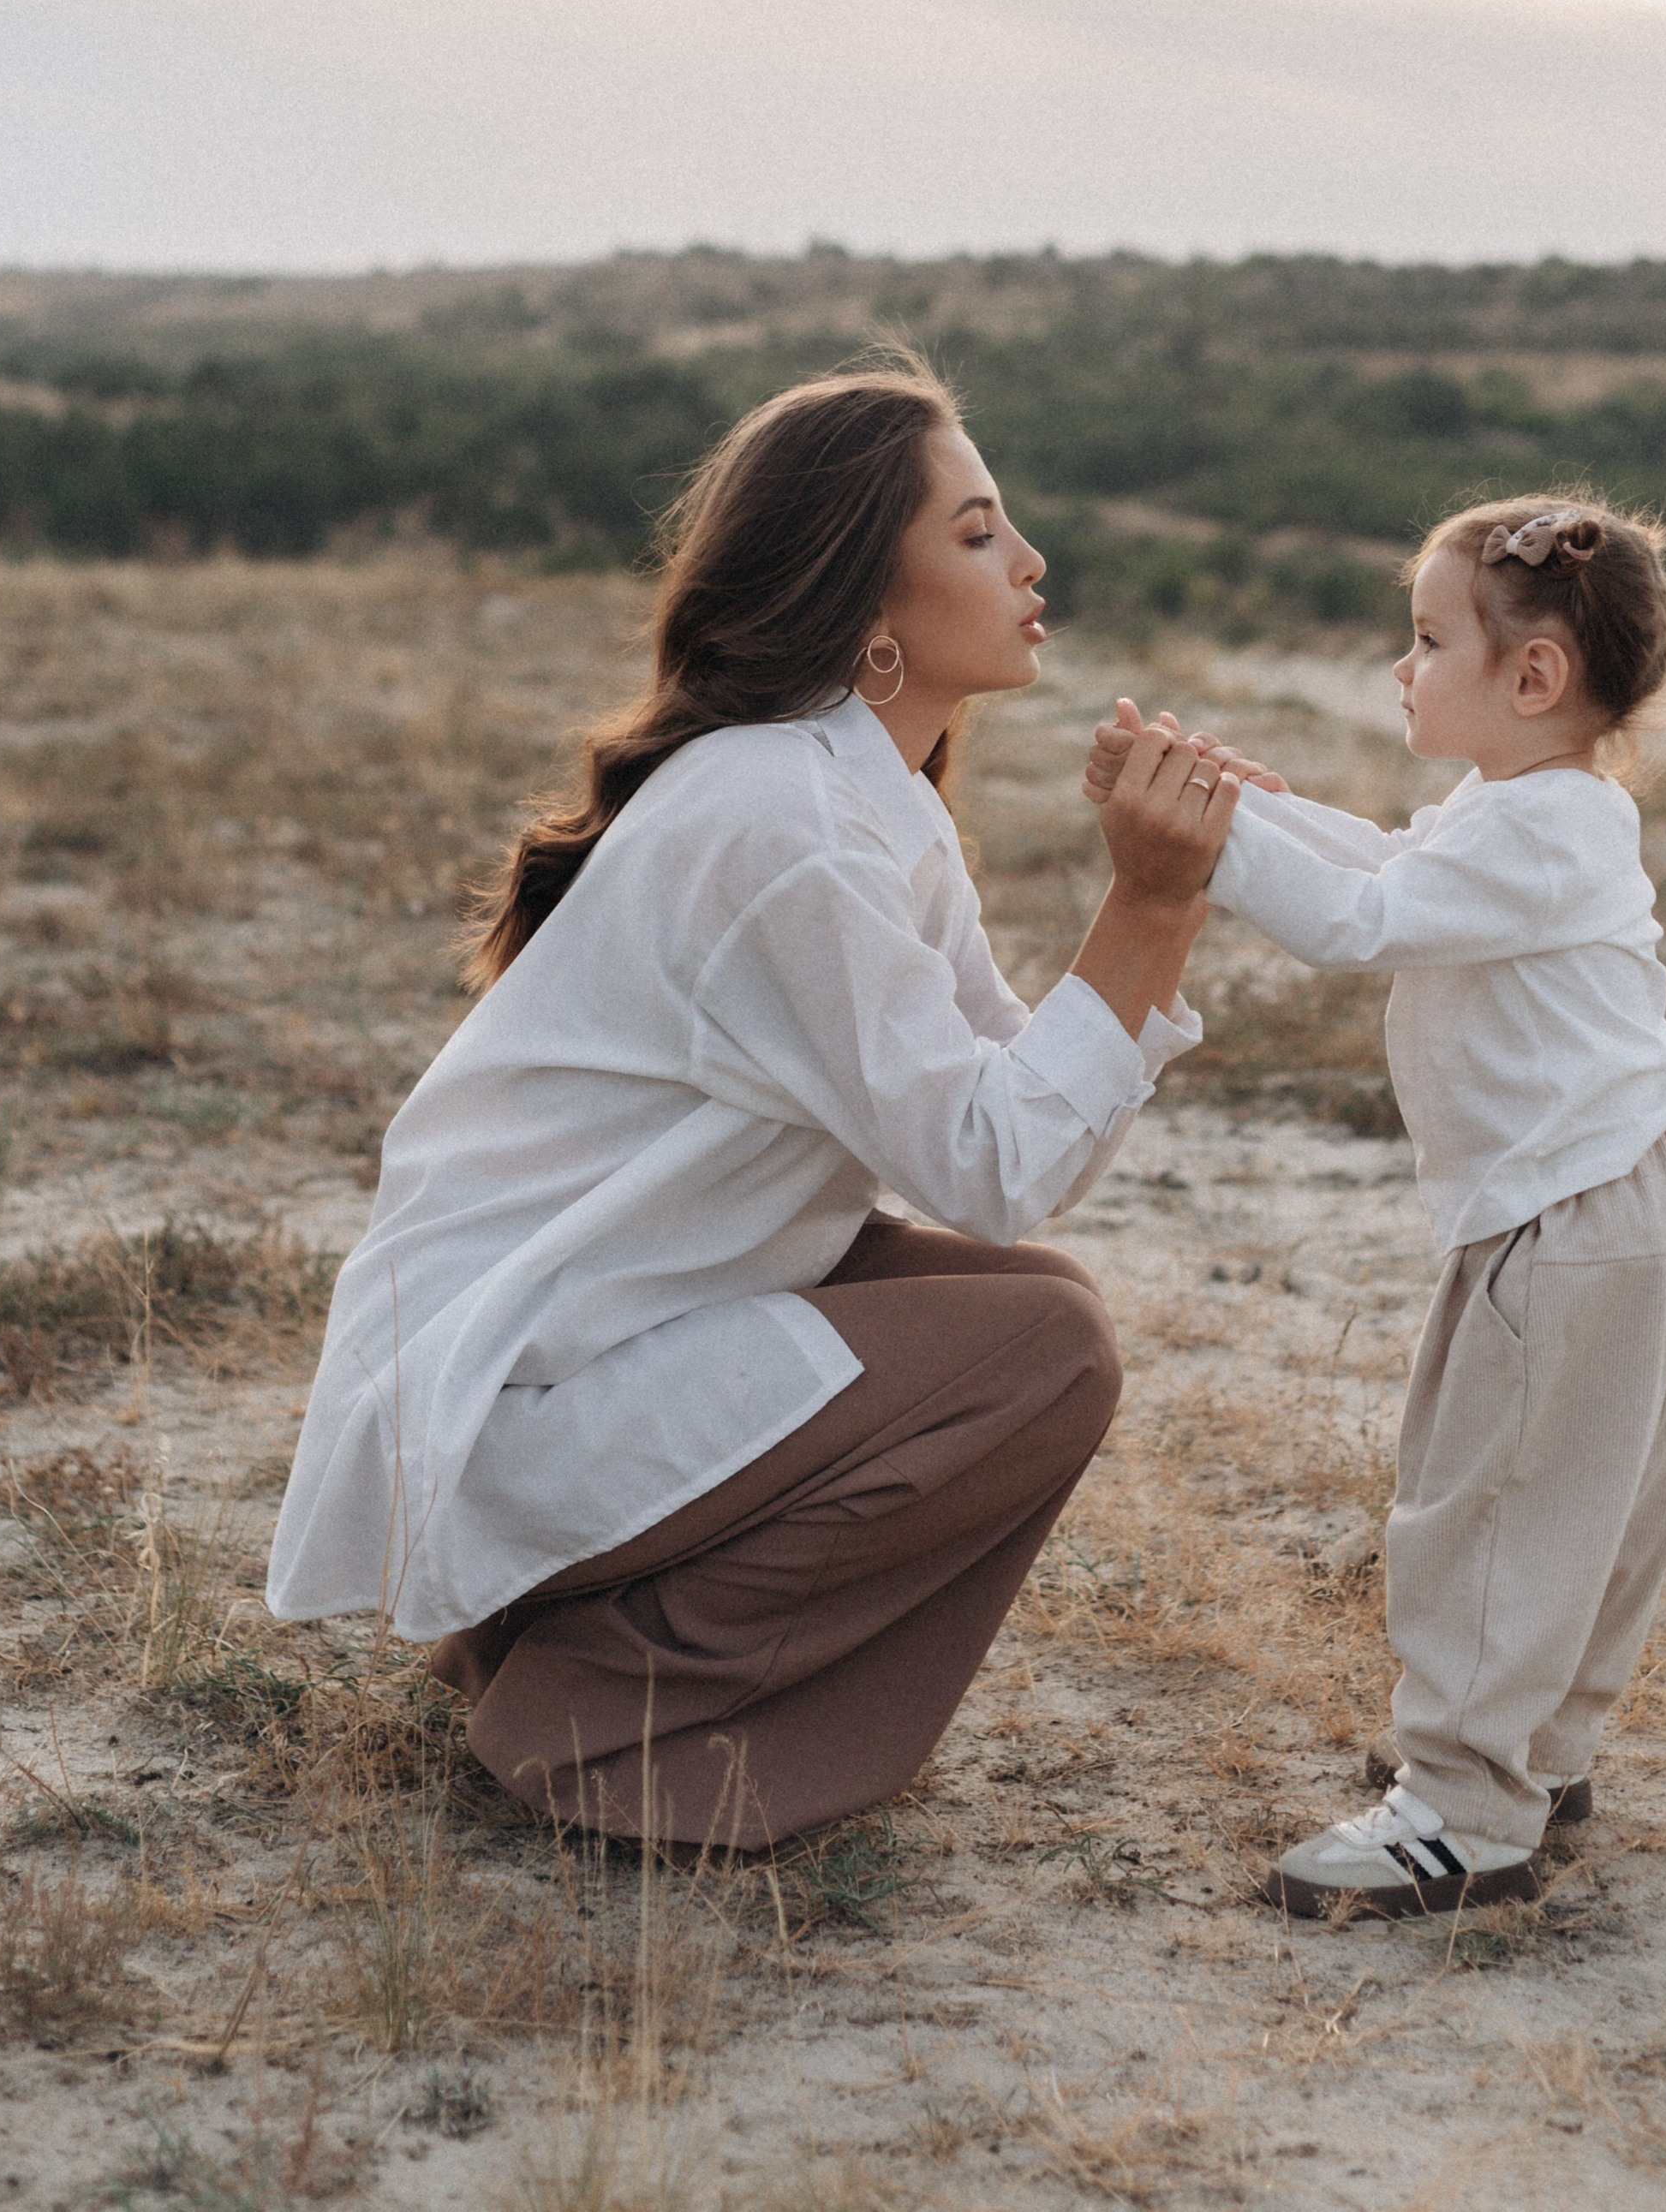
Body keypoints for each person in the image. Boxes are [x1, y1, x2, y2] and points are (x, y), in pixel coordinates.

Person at [266, 357, 1236, 1850]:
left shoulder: (862, 802)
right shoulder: (784, 825)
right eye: (977, 535)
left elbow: (1022, 1148)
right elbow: (993, 1159)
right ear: (870, 608)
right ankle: (598, 1714)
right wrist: (1145, 904)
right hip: (508, 1392)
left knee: (1030, 1305)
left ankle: (542, 1641)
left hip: (594, 1342)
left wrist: (1165, 908)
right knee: (1041, 1345)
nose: (1032, 562)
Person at [1084, 499, 1666, 1917]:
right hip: (1638, 1197)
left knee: (1488, 1501)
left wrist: (1201, 840)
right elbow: (1385, 862)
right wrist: (1241, 800)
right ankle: (1540, 1758)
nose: (1402, 668)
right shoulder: (1535, 809)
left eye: (1429, 641)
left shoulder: (1541, 829)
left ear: (1535, 680)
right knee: (1593, 1506)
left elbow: (1353, 923)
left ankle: (1461, 1808)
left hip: (1566, 1219)